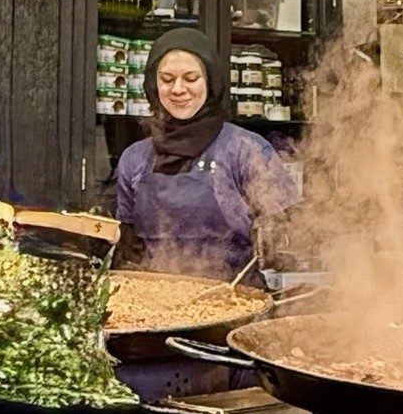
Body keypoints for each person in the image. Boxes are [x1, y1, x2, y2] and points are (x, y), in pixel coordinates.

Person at [114, 28, 299, 279]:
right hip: (155, 301)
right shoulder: (133, 158)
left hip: (235, 299)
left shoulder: (246, 149)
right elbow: (125, 244)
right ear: (153, 86)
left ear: (211, 81)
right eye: (167, 79)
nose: (178, 89)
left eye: (191, 78)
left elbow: (290, 228)